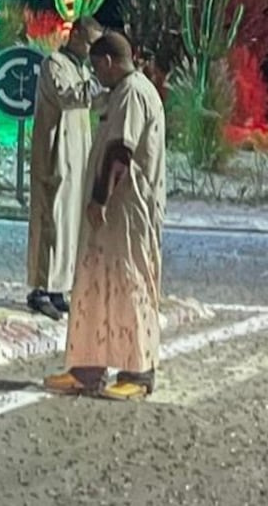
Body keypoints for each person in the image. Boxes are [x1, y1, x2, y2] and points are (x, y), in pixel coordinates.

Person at [44, 31, 167, 401]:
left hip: (127, 212)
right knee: (96, 284)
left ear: (109, 62)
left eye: (97, 67)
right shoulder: (123, 92)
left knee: (130, 284)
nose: (96, 75)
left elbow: (120, 151)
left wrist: (99, 198)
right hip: (112, 215)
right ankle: (87, 369)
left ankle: (138, 372)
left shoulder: (132, 93)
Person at [26, 16, 104, 320]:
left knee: (70, 224)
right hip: (55, 155)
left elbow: (91, 103)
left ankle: (59, 287)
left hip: (77, 156)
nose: (93, 51)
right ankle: (40, 289)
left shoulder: (83, 69)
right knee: (52, 220)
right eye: (91, 43)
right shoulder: (54, 64)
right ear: (76, 35)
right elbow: (68, 97)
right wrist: (98, 83)